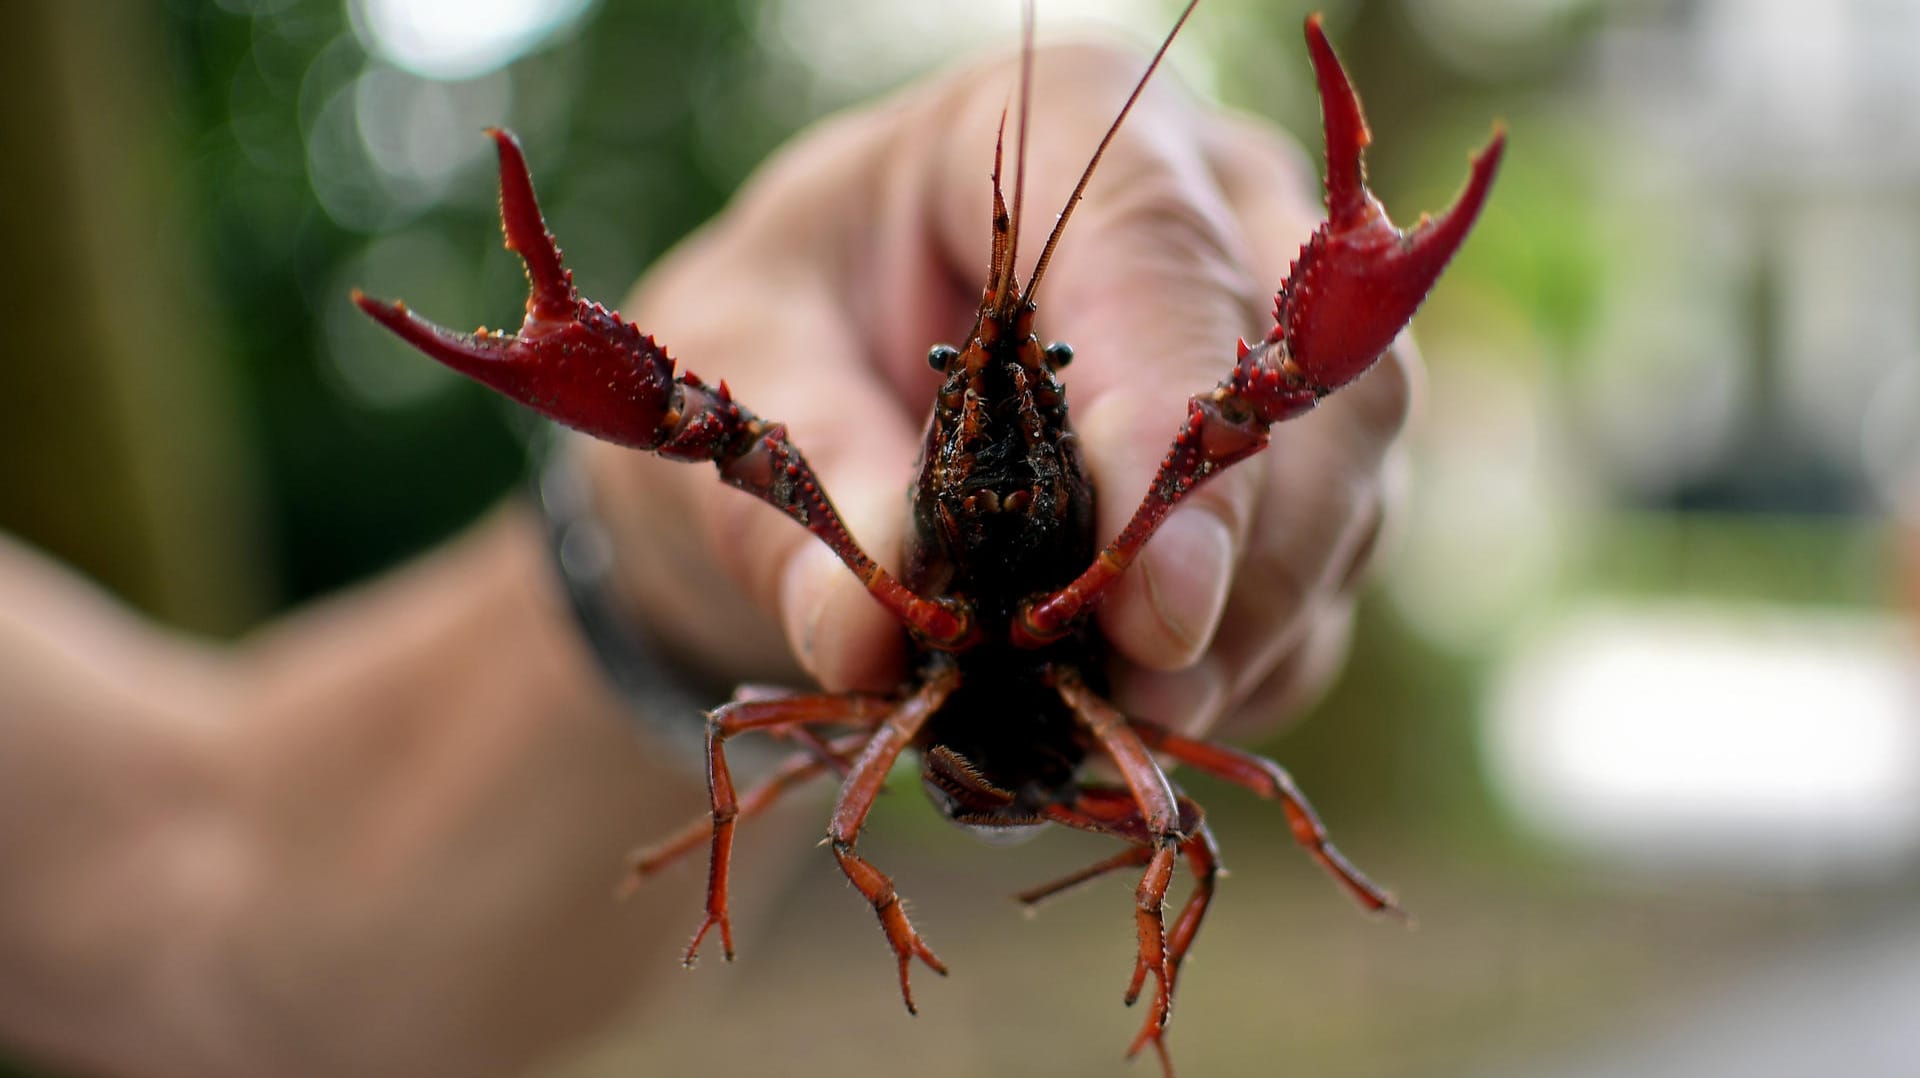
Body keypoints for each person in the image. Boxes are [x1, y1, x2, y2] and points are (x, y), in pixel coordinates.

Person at [0, 40, 1408, 1078]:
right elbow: (196, 893)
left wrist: (649, 571)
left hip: (1055, 716)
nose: (985, 394)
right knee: (783, 743)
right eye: (954, 374)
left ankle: (1153, 997)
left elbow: (192, 873)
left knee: (1212, 808)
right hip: (963, 712)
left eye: (1016, 374)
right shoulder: (871, 530)